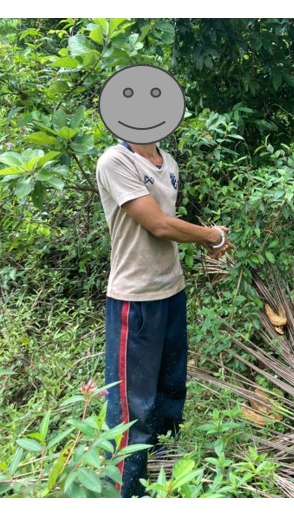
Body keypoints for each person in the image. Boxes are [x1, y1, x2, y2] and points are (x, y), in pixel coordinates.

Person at [96, 138, 233, 497]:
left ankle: (165, 469)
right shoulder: (115, 161)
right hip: (135, 297)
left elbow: (168, 222)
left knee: (171, 385)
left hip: (171, 289)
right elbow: (158, 225)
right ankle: (124, 491)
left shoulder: (167, 160)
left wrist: (209, 239)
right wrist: (212, 236)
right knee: (132, 405)